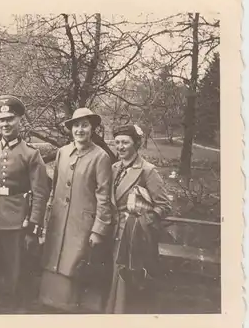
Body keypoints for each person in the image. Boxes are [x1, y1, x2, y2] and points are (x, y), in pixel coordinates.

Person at [0, 95, 50, 313]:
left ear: (20, 121)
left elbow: (40, 192)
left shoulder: (31, 154)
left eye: (10, 119)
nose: (5, 124)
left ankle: (12, 314)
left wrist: (34, 224)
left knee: (15, 271)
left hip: (17, 221)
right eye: (1, 120)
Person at [39, 107, 113, 313]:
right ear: (71, 129)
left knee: (75, 263)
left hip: (82, 224)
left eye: (85, 125)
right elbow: (54, 189)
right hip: (58, 219)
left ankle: (71, 310)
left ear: (92, 128)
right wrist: (47, 219)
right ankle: (49, 305)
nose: (80, 130)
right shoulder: (62, 152)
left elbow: (104, 196)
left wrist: (98, 229)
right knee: (54, 258)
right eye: (76, 126)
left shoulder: (100, 157)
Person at [105, 124, 172, 314]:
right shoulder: (114, 168)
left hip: (132, 236)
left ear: (136, 144)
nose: (120, 147)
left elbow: (165, 206)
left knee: (125, 284)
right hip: (112, 231)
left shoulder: (147, 171)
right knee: (111, 279)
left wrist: (140, 220)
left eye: (125, 142)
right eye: (117, 142)